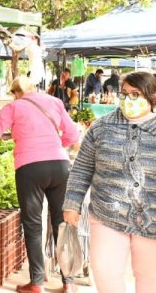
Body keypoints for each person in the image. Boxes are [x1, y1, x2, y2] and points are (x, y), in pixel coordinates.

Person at [0, 76, 80, 293]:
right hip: (61, 166)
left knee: (33, 226)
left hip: (30, 168)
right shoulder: (55, 102)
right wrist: (53, 147)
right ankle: (68, 282)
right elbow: (72, 135)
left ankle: (37, 283)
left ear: (15, 93)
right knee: (62, 225)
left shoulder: (13, 107)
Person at [63, 71, 156, 293]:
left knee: (149, 278)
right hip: (107, 214)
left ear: (152, 96)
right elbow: (82, 168)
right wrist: (71, 203)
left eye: (136, 94)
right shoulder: (101, 127)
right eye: (124, 94)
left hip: (153, 219)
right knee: (104, 271)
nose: (128, 100)